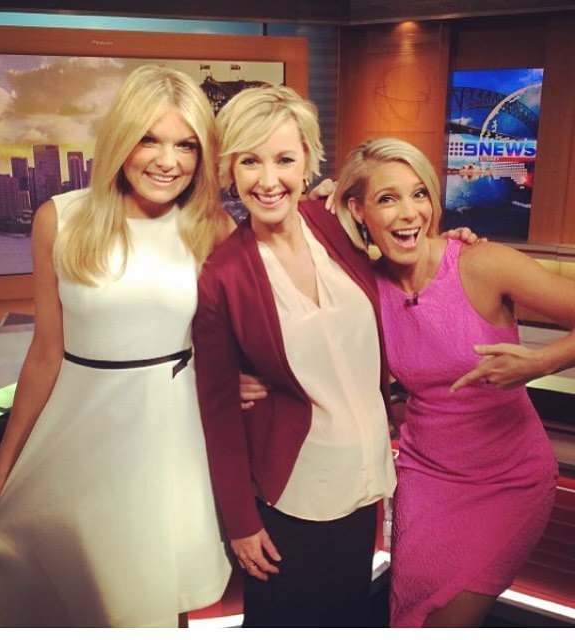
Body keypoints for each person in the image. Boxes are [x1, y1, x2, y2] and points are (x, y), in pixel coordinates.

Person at [0, 64, 232, 628]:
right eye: (149, 139)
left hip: (169, 438)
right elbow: (45, 353)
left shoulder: (211, 227)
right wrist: (0, 474)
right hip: (77, 433)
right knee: (69, 592)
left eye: (186, 145)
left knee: (149, 595)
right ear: (120, 139)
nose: (168, 161)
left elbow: (233, 340)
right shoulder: (60, 218)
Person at [332, 137, 575, 627]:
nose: (410, 213)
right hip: (425, 476)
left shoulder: (481, 262)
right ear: (358, 210)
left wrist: (539, 363)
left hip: (509, 480)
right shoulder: (364, 285)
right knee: (409, 615)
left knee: (449, 623)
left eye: (419, 193)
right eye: (387, 198)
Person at [192, 84, 398, 628]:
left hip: (365, 480)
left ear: (307, 160)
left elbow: (412, 244)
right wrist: (240, 522)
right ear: (229, 169)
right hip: (293, 495)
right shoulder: (222, 275)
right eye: (250, 161)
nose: (268, 180)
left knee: (348, 618)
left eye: (283, 159)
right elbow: (217, 411)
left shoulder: (338, 224)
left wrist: (460, 245)